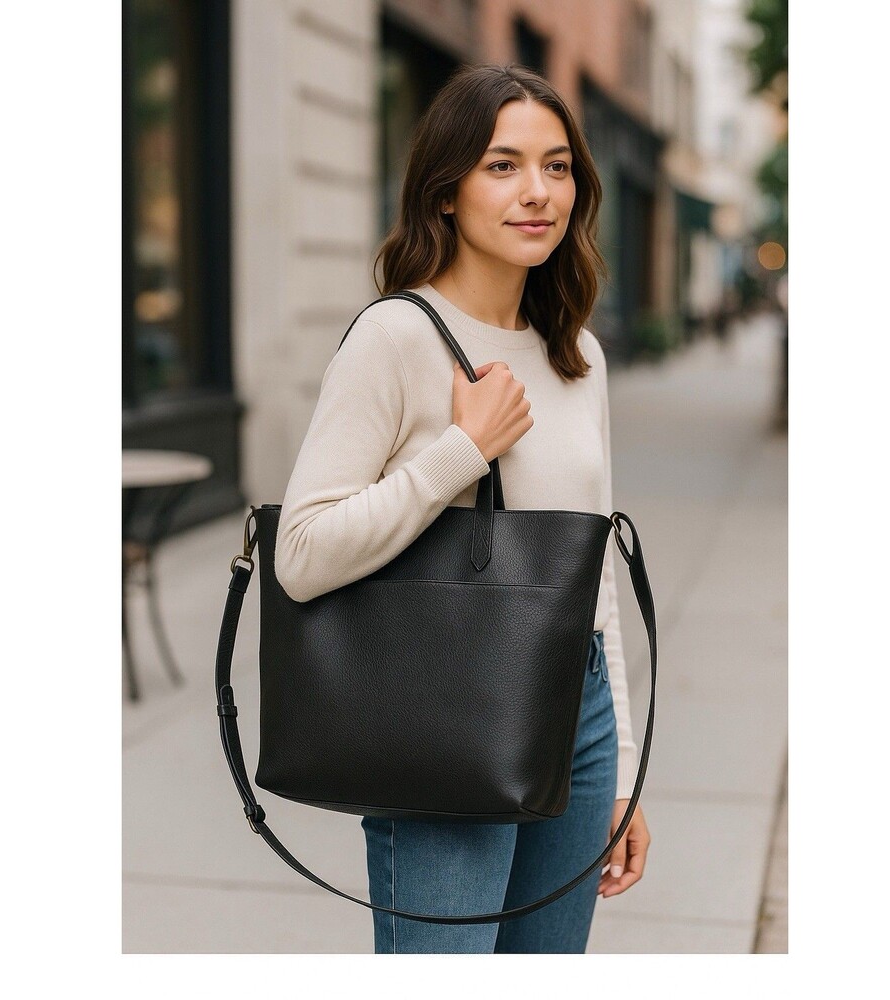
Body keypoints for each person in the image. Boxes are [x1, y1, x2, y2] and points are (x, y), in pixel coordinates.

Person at [274, 63, 651, 954]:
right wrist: (460, 452)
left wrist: (623, 770)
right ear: (445, 191)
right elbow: (301, 554)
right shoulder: (396, 336)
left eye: (557, 167)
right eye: (502, 166)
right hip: (447, 705)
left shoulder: (577, 356)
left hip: (581, 711)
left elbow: (593, 577)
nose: (538, 192)